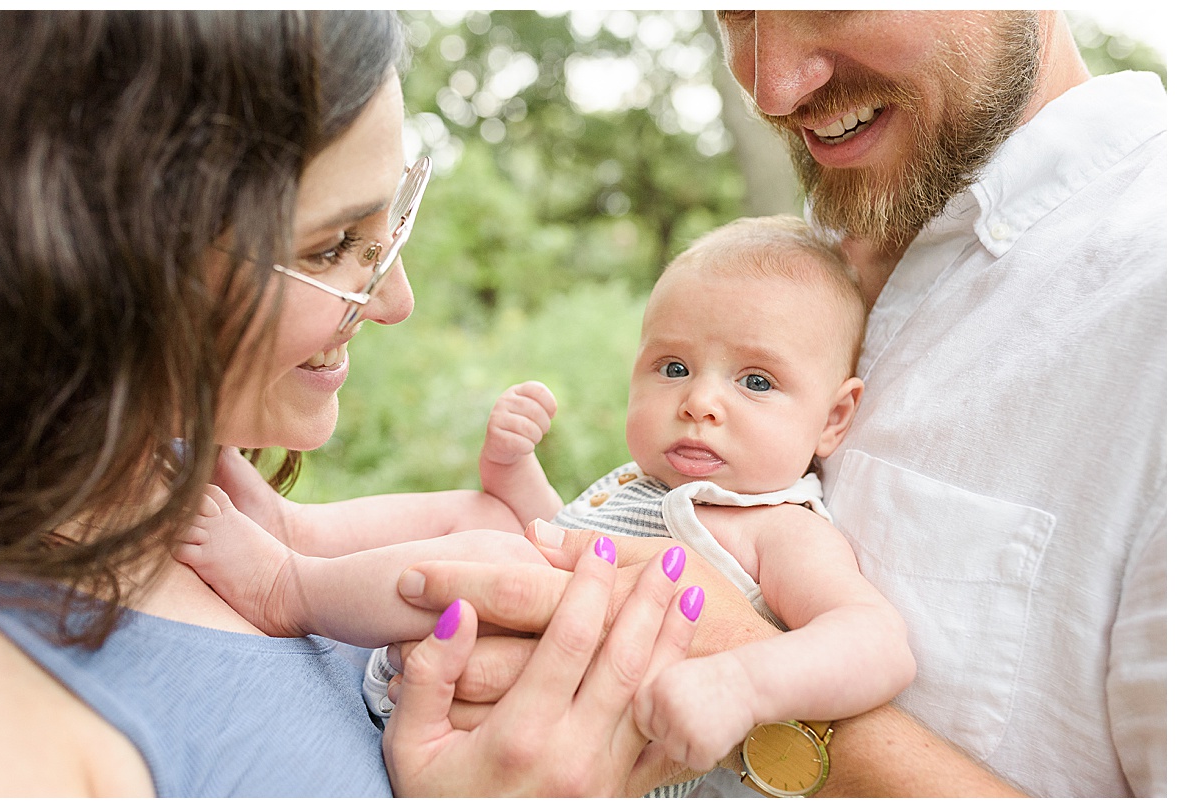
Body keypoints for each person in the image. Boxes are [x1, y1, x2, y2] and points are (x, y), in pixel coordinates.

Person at [398, 10, 1163, 798]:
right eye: (734, 13)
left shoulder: (1150, 298)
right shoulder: (798, 260)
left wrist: (737, 675)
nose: (771, 88)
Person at [0, 10, 722, 797]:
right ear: (92, 254)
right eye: (333, 248)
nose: (394, 300)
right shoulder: (18, 724)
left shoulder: (200, 487)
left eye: (391, 226)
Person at [176, 215, 916, 790]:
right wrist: (512, 467)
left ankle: (286, 588)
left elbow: (878, 642)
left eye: (756, 382)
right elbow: (554, 534)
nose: (699, 403)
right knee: (490, 521)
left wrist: (743, 682)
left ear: (834, 418)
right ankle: (297, 530)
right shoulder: (645, 486)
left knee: (502, 557)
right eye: (674, 366)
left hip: (568, 750)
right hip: (478, 680)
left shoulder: (779, 527)